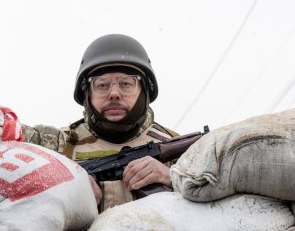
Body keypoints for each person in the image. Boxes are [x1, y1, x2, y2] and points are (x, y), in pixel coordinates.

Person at [23, 34, 179, 210]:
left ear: (145, 90)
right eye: (102, 85)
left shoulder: (178, 149)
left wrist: (174, 178)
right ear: (87, 92)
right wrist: (60, 185)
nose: (114, 93)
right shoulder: (56, 145)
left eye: (126, 83)